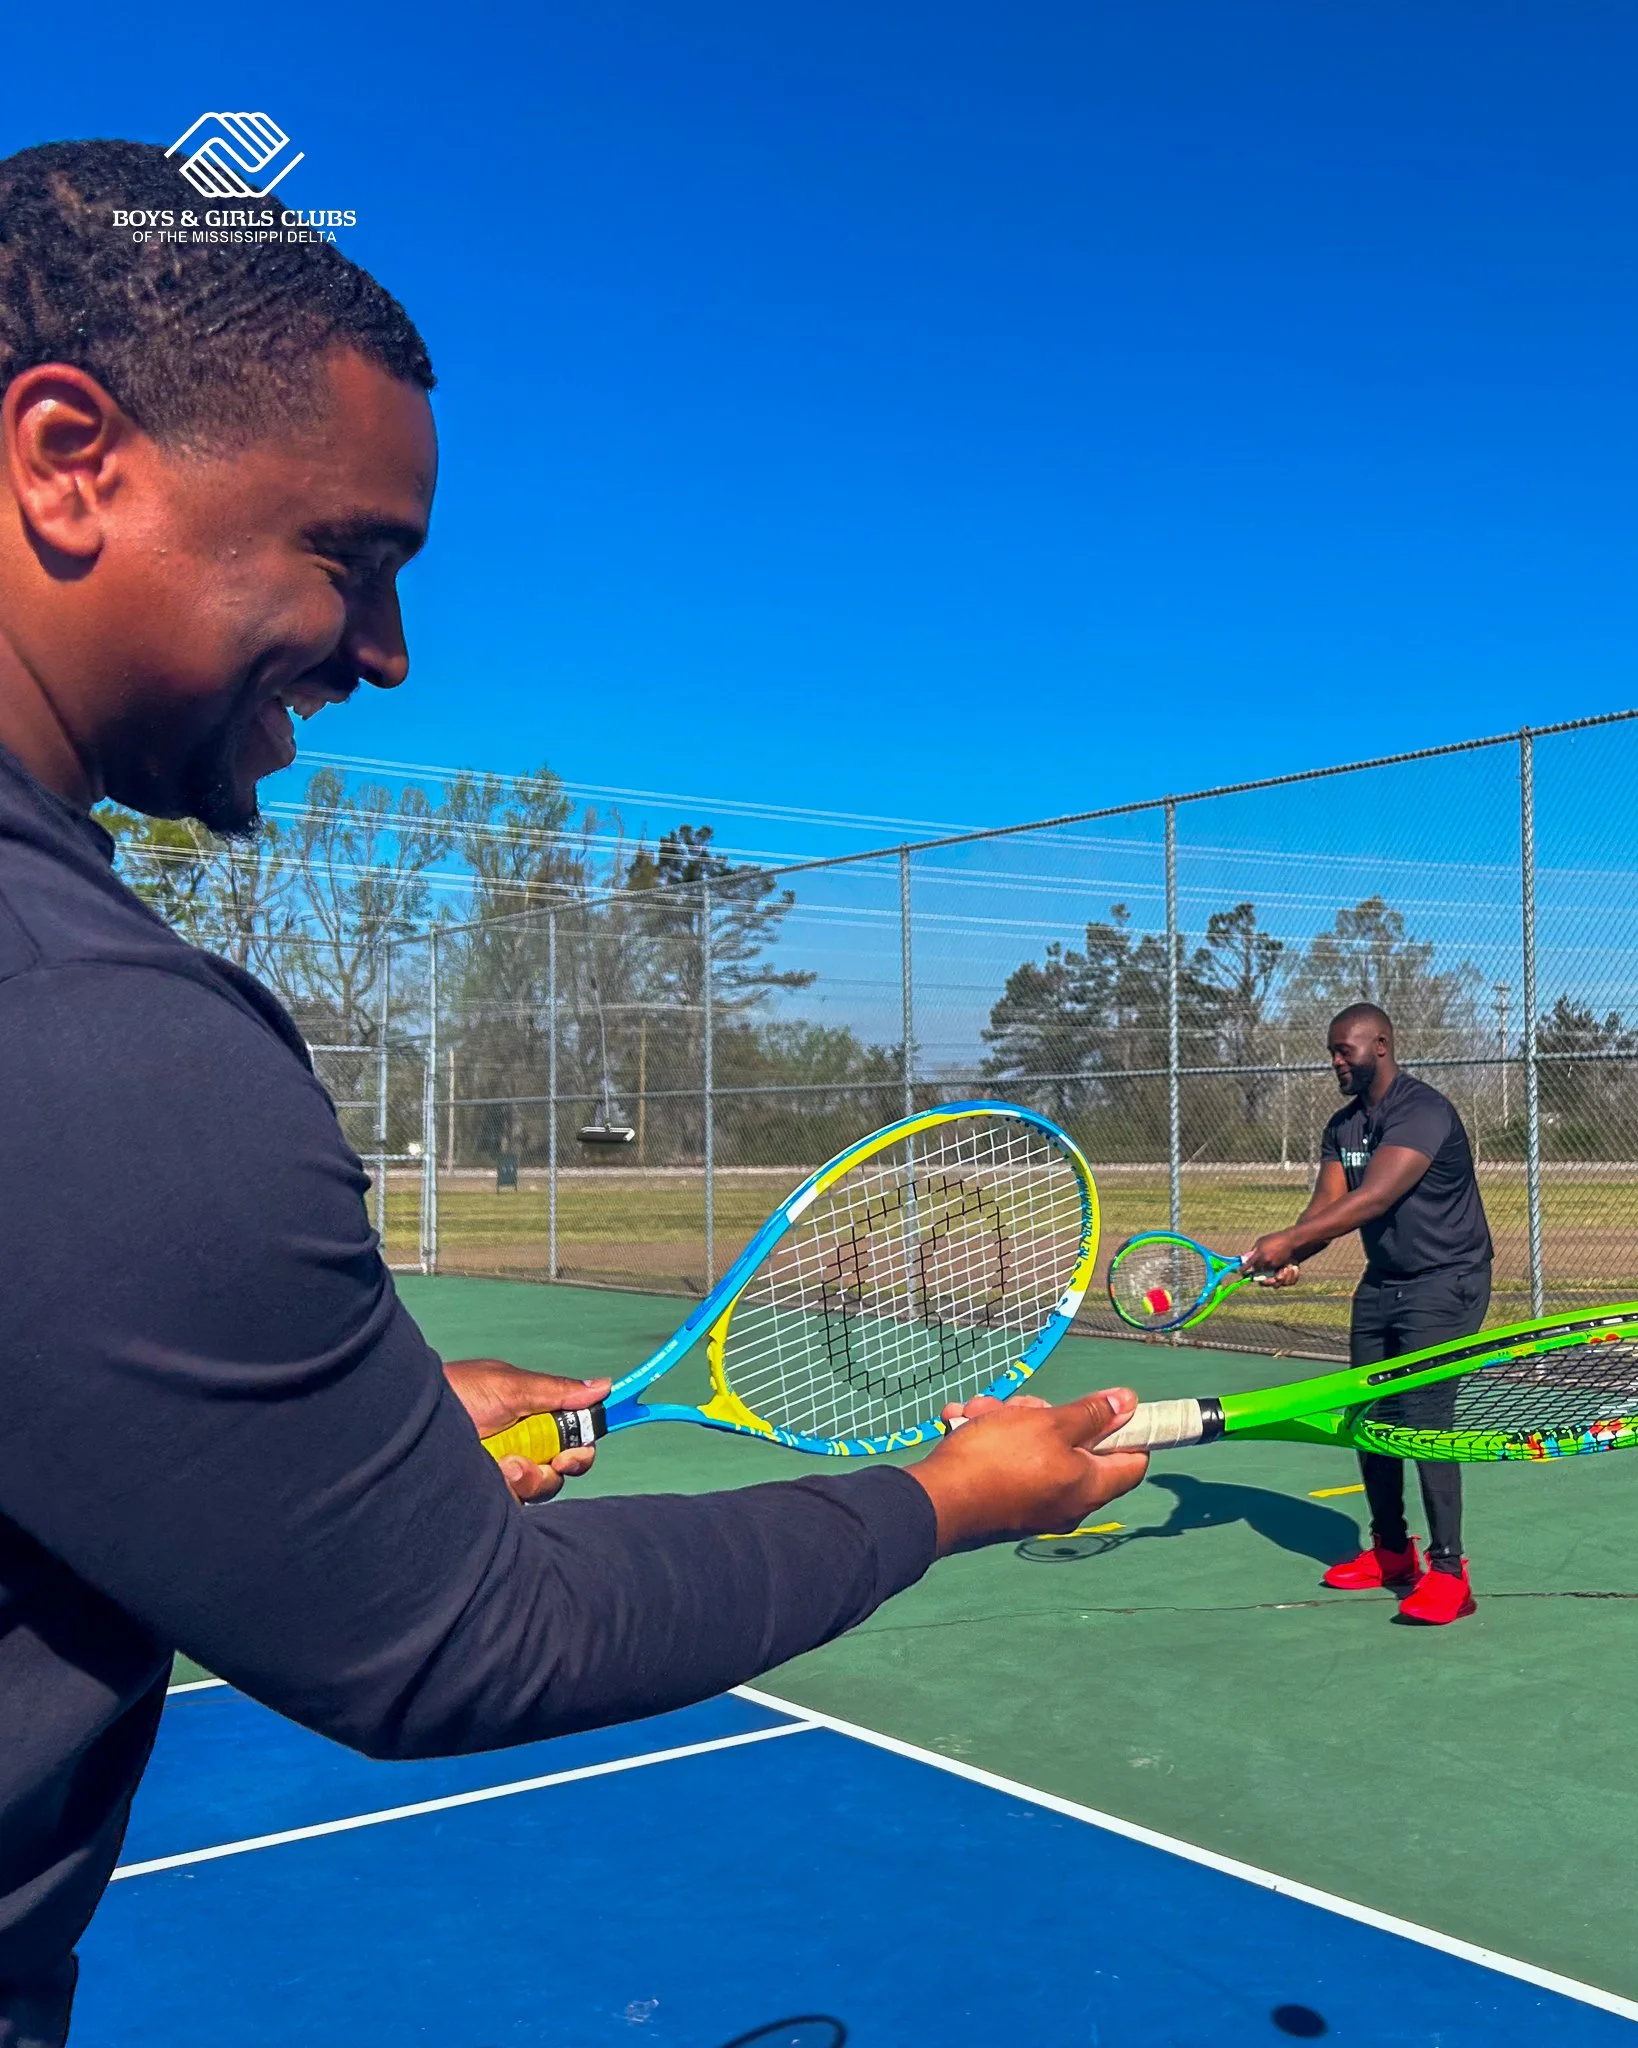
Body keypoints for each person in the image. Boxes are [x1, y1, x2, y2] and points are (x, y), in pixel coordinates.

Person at [0, 141, 1150, 2047]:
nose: (384, 653)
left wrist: (344, 1428)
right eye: (350, 559)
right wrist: (943, 1495)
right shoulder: (96, 1027)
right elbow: (458, 1638)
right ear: (67, 455)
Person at [1244, 1002, 1493, 1626]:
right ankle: (1390, 1553)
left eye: (1344, 1051)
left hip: (1449, 1282)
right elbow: (1326, 1206)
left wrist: (1287, 1239)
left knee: (1425, 1419)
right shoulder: (1344, 1126)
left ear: (1380, 1045)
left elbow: (1374, 1196)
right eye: (1331, 1051)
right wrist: (1293, 1250)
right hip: (1385, 1283)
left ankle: (1449, 1572)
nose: (1335, 1063)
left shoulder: (1423, 1111)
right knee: (1370, 1416)